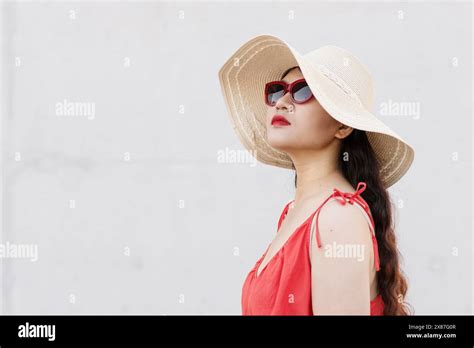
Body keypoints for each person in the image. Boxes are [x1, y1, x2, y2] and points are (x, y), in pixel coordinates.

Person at [218, 34, 415, 315]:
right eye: (277, 90)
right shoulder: (294, 214)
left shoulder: (337, 218)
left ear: (343, 127)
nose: (282, 101)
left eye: (303, 91)